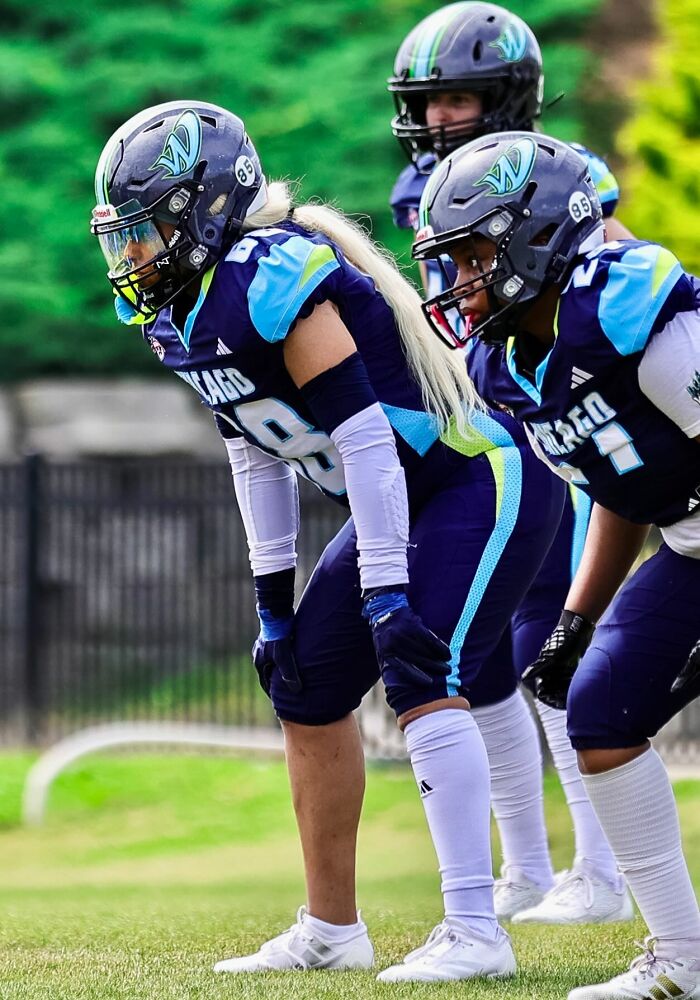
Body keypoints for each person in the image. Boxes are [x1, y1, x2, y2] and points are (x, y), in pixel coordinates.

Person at [90, 100, 565, 983]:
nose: (133, 255)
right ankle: (332, 927)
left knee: (425, 669)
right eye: (124, 238)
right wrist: (273, 607)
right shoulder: (183, 315)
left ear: (199, 214)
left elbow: (364, 440)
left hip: (473, 475)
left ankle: (475, 927)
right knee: (305, 683)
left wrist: (386, 592)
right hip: (405, 496)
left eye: (148, 231)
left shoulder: (272, 276)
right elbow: (255, 451)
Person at [413, 129, 700, 999]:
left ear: (535, 234)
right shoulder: (507, 365)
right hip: (689, 542)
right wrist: (577, 620)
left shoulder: (627, 304)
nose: (457, 279)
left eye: (472, 253)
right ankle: (683, 961)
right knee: (600, 714)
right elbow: (621, 483)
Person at [387, 0, 633, 924]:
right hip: (485, 435)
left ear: (506, 96)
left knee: (549, 643)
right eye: (426, 100)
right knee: (484, 652)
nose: (436, 116)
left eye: (455, 97)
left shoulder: (563, 183)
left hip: (551, 425)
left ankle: (601, 874)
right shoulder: (425, 190)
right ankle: (529, 868)